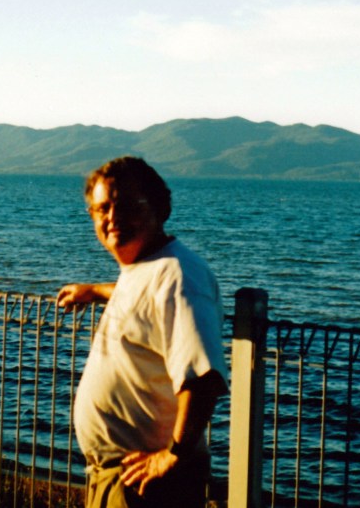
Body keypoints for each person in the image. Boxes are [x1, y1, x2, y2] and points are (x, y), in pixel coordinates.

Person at [58, 156, 228, 508]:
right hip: (120, 478)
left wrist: (173, 455)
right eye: (102, 208)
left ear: (160, 209)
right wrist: (94, 290)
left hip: (149, 485)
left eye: (126, 205)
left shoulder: (179, 277)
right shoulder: (145, 270)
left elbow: (203, 378)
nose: (112, 217)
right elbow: (141, 298)